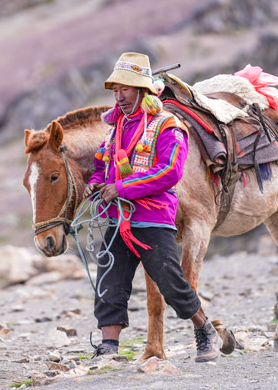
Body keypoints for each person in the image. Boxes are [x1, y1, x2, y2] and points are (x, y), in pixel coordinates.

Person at [83, 52, 221, 363]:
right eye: (115, 91)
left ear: (142, 91)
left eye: (126, 90)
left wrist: (121, 188)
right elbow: (102, 163)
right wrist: (95, 182)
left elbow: (169, 171)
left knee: (171, 282)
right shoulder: (116, 128)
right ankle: (108, 348)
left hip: (153, 218)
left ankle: (205, 330)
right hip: (118, 219)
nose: (119, 97)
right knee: (109, 280)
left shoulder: (167, 126)